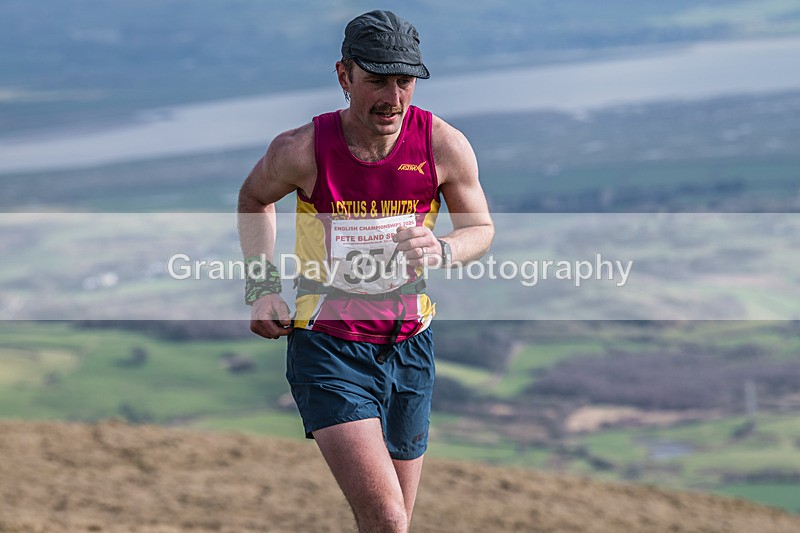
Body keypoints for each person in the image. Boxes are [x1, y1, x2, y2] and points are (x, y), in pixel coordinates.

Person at [237, 10, 493, 532]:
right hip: (328, 346)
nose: (393, 98)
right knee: (389, 521)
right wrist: (262, 289)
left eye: (405, 82)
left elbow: (481, 230)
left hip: (410, 346)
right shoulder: (301, 150)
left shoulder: (443, 144)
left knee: (390, 521)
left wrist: (443, 248)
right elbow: (253, 198)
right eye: (377, 80)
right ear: (344, 75)